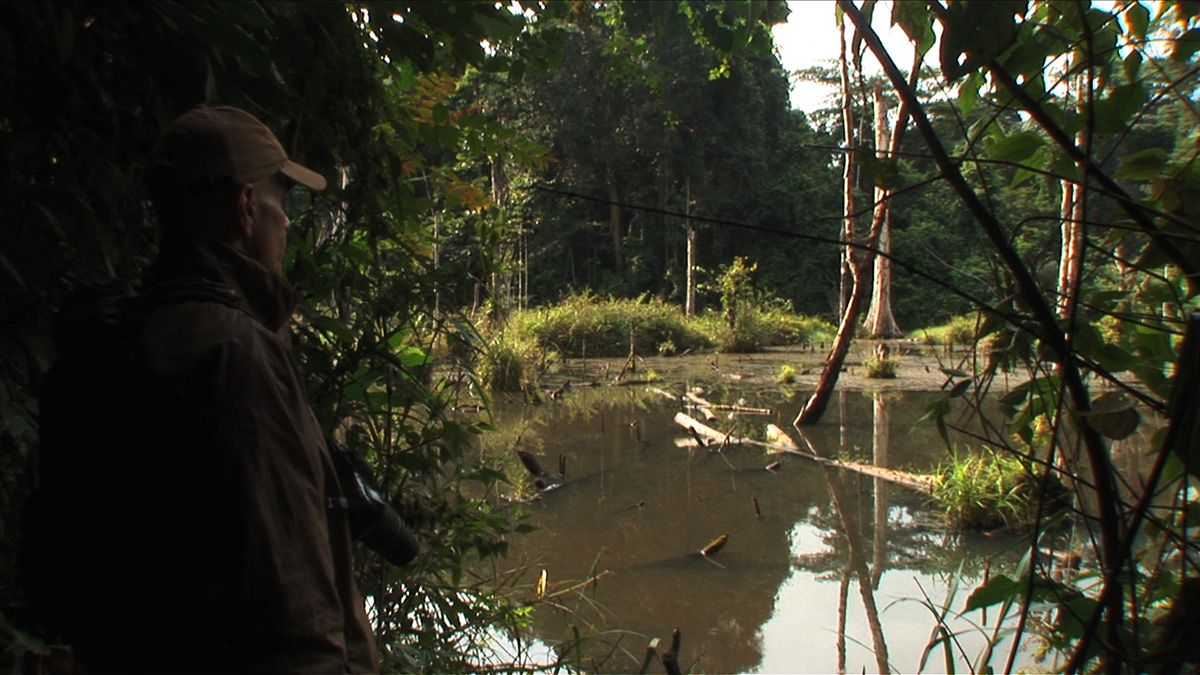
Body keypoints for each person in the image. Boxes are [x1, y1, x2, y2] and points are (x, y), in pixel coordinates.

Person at [27, 105, 412, 673]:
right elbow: (294, 613)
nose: (287, 223)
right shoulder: (232, 353)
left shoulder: (133, 338)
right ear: (247, 207)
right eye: (283, 204)